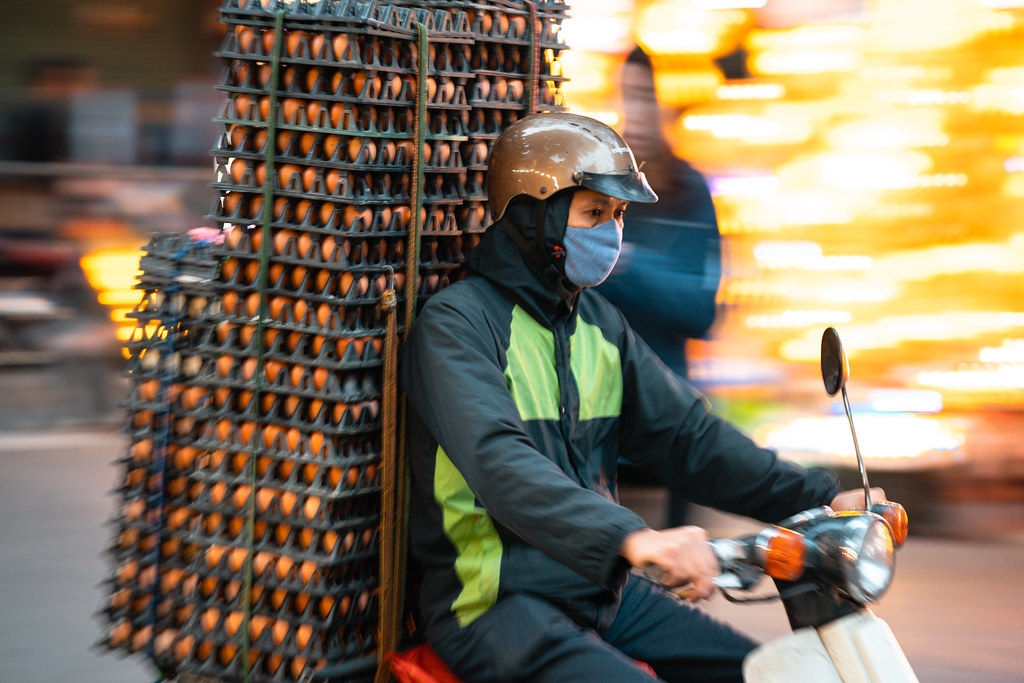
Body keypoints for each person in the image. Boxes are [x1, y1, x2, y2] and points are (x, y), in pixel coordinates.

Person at [399, 112, 879, 683]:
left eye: (618, 215)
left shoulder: (600, 326)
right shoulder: (457, 325)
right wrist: (633, 538)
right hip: (494, 606)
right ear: (533, 216)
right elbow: (501, 463)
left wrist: (820, 500)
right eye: (593, 213)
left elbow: (689, 437)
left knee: (764, 673)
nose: (611, 231)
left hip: (600, 588)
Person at [598, 45, 722, 527]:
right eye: (628, 94)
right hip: (600, 416)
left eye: (646, 95)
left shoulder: (688, 190)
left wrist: (626, 265)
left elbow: (699, 310)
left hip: (667, 416)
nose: (637, 109)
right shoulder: (603, 183)